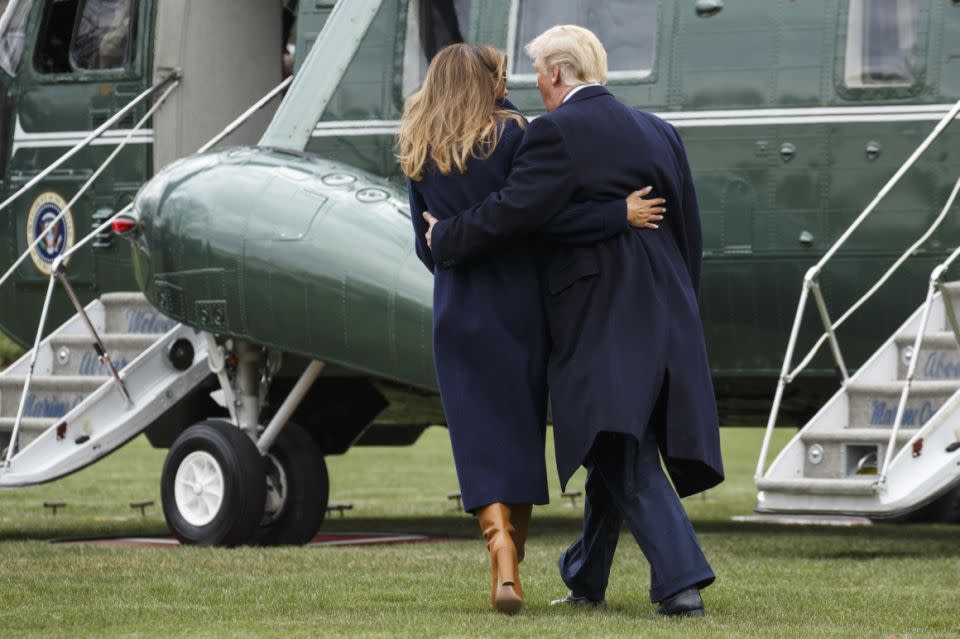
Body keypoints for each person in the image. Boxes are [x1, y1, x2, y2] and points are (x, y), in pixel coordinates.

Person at [423, 26, 724, 617]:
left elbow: (522, 218)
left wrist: (445, 236)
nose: (533, 84)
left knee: (615, 444)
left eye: (538, 73)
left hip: (599, 313)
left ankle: (681, 581)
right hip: (668, 308)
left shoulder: (552, 134)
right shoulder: (661, 131)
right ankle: (585, 575)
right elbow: (689, 231)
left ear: (558, 74)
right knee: (607, 434)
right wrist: (681, 302)